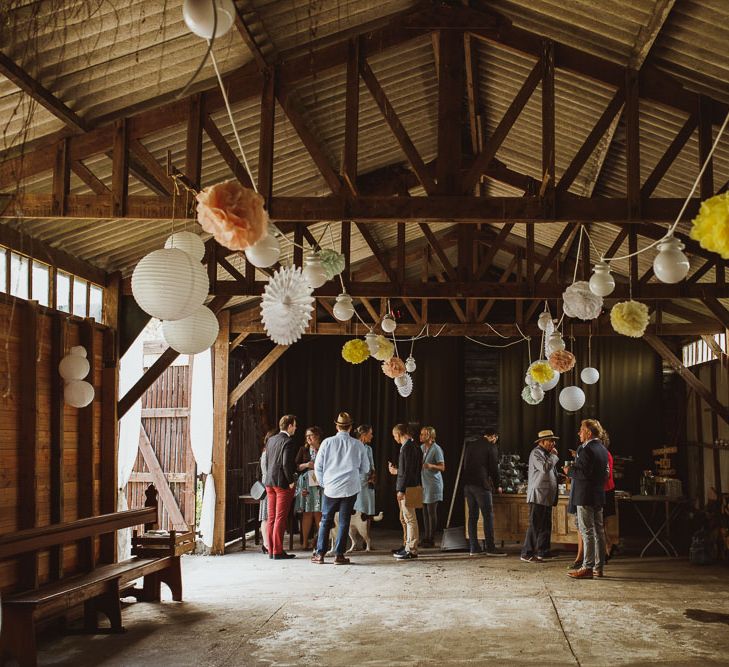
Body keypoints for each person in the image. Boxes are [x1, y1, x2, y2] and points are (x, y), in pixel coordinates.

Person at [312, 412, 369, 565]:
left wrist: (324, 483)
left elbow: (318, 467)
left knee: (325, 520)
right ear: (350, 427)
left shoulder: (327, 443)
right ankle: (339, 555)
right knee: (344, 521)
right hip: (350, 488)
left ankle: (320, 554)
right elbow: (366, 468)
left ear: (337, 426)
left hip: (331, 488)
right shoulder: (358, 445)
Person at [567, 419, 609, 579]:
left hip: (584, 496)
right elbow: (606, 474)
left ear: (589, 433)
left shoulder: (585, 449)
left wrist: (569, 471)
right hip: (598, 495)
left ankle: (587, 567)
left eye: (581, 430)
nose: (579, 433)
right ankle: (599, 567)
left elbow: (584, 474)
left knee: (587, 532)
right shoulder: (603, 449)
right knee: (599, 531)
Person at [462, 428, 507, 556]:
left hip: (468, 485)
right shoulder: (490, 447)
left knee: (472, 516)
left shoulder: (470, 446)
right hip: (481, 485)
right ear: (493, 436)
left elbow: (465, 464)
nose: (496, 441)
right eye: (496, 438)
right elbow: (494, 468)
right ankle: (490, 548)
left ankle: (474, 548)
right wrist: (498, 485)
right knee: (488, 516)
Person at [521, 430, 560, 563]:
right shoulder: (536, 453)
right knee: (535, 525)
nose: (553, 443)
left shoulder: (547, 454)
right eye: (550, 440)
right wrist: (554, 456)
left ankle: (543, 551)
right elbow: (544, 468)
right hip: (538, 495)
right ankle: (527, 553)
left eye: (553, 441)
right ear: (542, 442)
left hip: (547, 496)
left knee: (545, 525)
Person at [263, 414, 299, 560]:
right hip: (282, 483)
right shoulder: (288, 441)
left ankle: (271, 550)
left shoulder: (271, 440)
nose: (296, 428)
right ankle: (277, 551)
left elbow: (267, 461)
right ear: (289, 426)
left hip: (269, 482)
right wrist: (290, 480)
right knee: (280, 518)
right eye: (295, 425)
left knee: (271, 517)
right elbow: (285, 464)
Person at [389, 423, 423, 560]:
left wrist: (401, 489)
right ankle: (408, 546)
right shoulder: (415, 446)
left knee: (410, 519)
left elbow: (407, 471)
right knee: (407, 518)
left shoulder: (407, 448)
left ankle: (412, 549)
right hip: (414, 485)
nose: (394, 438)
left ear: (399, 434)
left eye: (394, 436)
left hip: (408, 487)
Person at [295, 426, 323, 551]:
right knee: (307, 513)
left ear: (317, 436)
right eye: (306, 436)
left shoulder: (323, 448)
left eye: (310, 435)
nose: (308, 438)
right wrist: (307, 465)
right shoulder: (303, 449)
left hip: (320, 484)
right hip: (306, 483)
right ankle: (305, 542)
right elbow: (295, 466)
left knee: (319, 513)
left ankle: (319, 542)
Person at [419, 426, 445, 548]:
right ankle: (426, 537)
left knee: (431, 512)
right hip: (424, 484)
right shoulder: (422, 448)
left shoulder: (436, 449)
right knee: (424, 512)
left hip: (433, 484)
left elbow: (442, 467)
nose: (421, 436)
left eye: (423, 434)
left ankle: (431, 538)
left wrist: (431, 466)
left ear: (429, 436)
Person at [258, 428, 278, 555]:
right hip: (267, 486)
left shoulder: (267, 452)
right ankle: (266, 543)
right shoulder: (267, 453)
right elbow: (266, 472)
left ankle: (268, 543)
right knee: (265, 516)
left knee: (267, 516)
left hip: (268, 484)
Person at [600, 426, 618, 561]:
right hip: (606, 490)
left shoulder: (604, 453)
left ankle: (607, 546)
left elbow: (605, 475)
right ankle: (607, 547)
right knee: (601, 523)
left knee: (600, 522)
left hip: (605, 490)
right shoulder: (604, 453)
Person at [354, 425, 376, 518]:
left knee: (368, 510)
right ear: (363, 434)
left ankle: (366, 532)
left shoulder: (369, 449)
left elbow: (372, 466)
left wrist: (373, 476)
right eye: (370, 434)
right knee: (357, 510)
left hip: (368, 483)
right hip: (356, 483)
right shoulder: (353, 446)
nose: (372, 436)